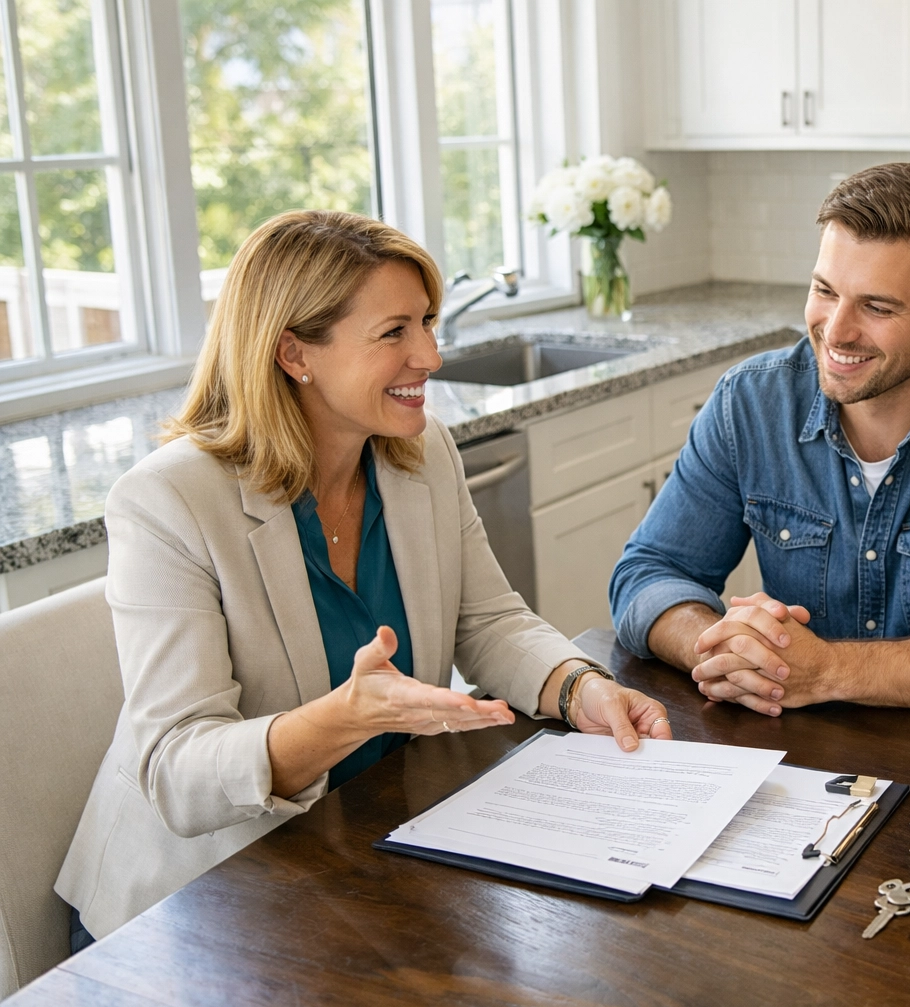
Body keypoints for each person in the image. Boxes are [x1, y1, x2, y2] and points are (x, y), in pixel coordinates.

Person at [57, 211, 673, 945]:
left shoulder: (419, 450)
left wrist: (579, 688)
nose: (430, 355)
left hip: (359, 845)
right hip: (191, 906)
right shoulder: (169, 500)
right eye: (394, 332)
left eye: (428, 322)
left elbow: (487, 620)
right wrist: (346, 718)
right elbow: (177, 772)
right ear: (294, 352)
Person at [609, 163, 910, 716]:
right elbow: (647, 575)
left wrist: (826, 671)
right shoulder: (750, 401)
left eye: (877, 306)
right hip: (793, 741)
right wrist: (730, 649)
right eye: (824, 290)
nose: (836, 331)